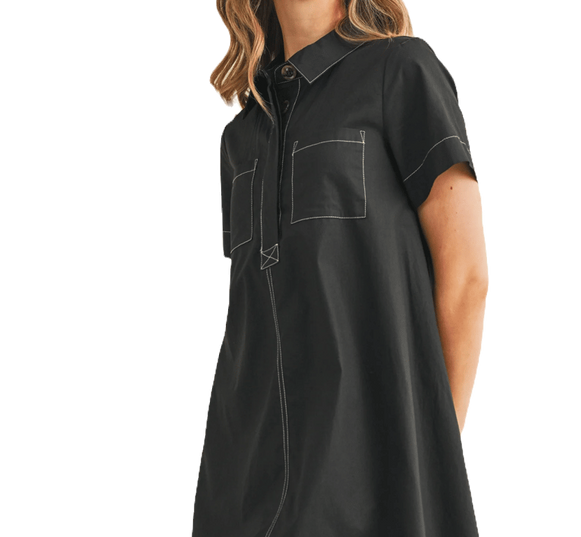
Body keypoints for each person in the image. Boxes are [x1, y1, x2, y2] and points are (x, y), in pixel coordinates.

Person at [195, 1, 491, 535]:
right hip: (239, 487)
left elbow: (468, 274)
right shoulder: (240, 137)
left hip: (375, 485)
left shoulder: (401, 69)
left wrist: (429, 457)